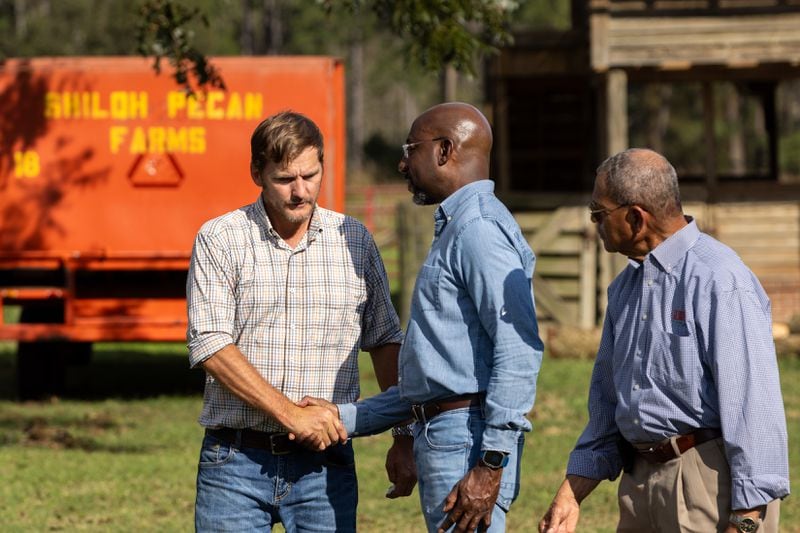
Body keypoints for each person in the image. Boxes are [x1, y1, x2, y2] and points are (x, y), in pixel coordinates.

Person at [306, 102, 544, 532]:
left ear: (444, 150)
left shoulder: (478, 231)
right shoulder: (459, 228)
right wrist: (339, 419)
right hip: (448, 439)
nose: (401, 163)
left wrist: (490, 464)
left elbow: (519, 351)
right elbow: (432, 380)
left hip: (467, 446)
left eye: (410, 149)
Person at [539, 148, 790, 533]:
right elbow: (608, 404)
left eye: (599, 214)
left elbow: (753, 407)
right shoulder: (624, 288)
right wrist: (571, 493)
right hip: (639, 484)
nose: (595, 224)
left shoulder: (720, 280)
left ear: (636, 217)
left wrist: (747, 518)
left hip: (705, 484)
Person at [185, 110, 409, 532]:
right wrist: (293, 415)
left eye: (311, 175)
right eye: (285, 179)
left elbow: (385, 341)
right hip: (234, 462)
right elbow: (211, 346)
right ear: (257, 172)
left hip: (326, 467)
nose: (300, 192)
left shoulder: (355, 241)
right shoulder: (220, 238)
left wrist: (405, 437)